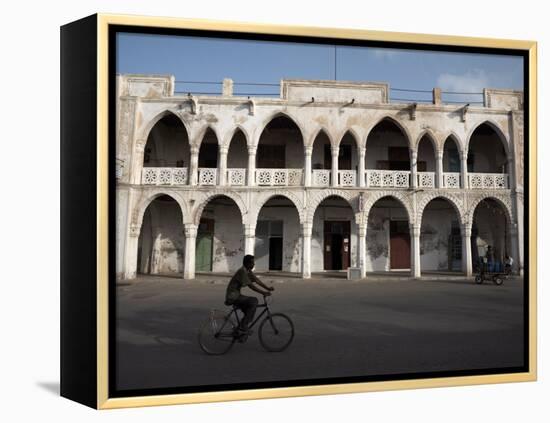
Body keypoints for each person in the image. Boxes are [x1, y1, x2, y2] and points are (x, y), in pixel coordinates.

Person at [225, 255, 274, 339]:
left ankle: (240, 331)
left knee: (249, 311)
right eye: (252, 263)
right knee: (253, 301)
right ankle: (243, 326)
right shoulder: (242, 271)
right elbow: (251, 286)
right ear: (247, 264)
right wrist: (263, 292)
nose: (254, 264)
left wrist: (267, 288)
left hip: (236, 295)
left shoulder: (248, 271)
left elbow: (256, 280)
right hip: (233, 296)